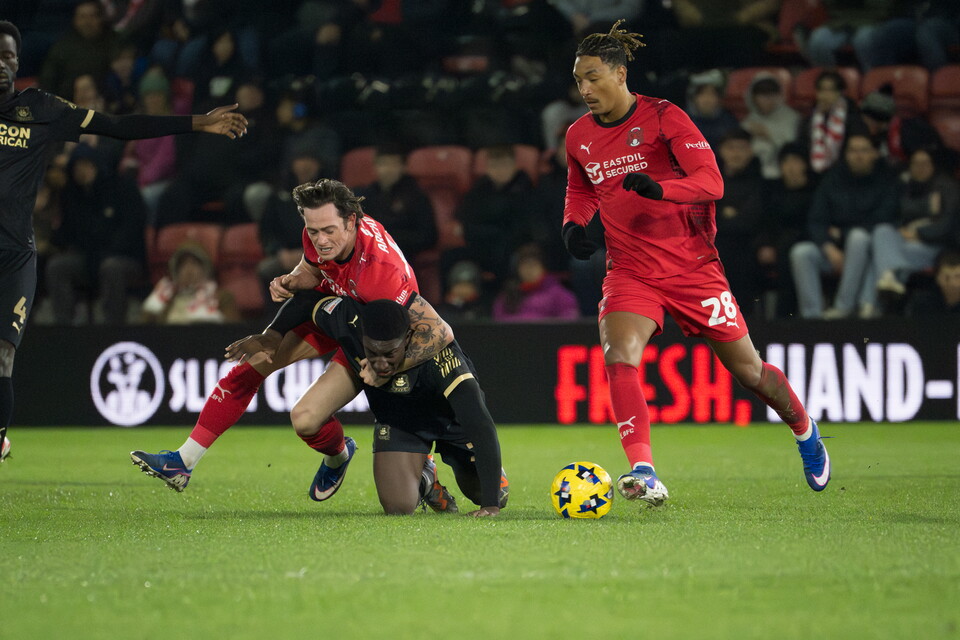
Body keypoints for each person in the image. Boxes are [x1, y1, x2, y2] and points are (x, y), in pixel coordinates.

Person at [560, 21, 831, 506]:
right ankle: (643, 470)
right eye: (579, 79)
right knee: (619, 356)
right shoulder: (578, 136)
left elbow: (712, 182)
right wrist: (573, 224)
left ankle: (804, 428)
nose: (585, 89)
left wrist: (661, 188)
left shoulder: (665, 118)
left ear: (621, 74)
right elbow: (581, 186)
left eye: (594, 77)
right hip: (629, 271)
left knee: (749, 373)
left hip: (693, 268)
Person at [0, 20, 247, 463]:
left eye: (10, 58)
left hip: (14, 256)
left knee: (3, 356)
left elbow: (119, 125)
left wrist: (196, 123)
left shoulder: (39, 108)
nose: (3, 65)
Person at [130, 179, 455, 495]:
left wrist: (380, 365)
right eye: (313, 231)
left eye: (328, 231)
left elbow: (412, 335)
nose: (320, 240)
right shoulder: (323, 231)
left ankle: (424, 459)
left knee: (306, 420)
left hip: (374, 334)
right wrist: (292, 280)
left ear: (351, 221)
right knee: (255, 361)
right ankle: (182, 462)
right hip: (333, 308)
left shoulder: (381, 277)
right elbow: (312, 271)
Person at [230, 293, 508, 517]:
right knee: (398, 508)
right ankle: (424, 478)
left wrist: (491, 506)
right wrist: (273, 333)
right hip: (400, 421)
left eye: (390, 353)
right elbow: (305, 300)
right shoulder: (347, 321)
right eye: (373, 351)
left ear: (409, 339)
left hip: (451, 423)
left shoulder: (441, 357)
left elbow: (481, 426)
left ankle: (486, 485)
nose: (381, 362)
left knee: (491, 493)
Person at [789, 134, 899, 319]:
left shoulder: (886, 181)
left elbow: (883, 221)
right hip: (834, 252)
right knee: (801, 252)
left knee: (858, 237)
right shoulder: (832, 180)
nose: (858, 155)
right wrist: (829, 247)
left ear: (875, 154)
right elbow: (816, 220)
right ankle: (812, 317)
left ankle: (844, 307)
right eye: (853, 150)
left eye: (864, 150)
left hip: (869, 254)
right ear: (846, 154)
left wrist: (842, 233)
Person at [44, 143, 147, 325]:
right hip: (89, 258)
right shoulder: (71, 196)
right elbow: (67, 233)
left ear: (97, 164)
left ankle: (112, 329)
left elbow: (132, 228)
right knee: (57, 267)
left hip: (125, 258)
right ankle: (63, 329)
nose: (82, 171)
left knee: (110, 267)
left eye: (86, 165)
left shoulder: (122, 188)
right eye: (77, 167)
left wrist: (107, 250)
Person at [872, 147, 959, 313]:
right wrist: (904, 228)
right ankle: (888, 279)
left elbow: (949, 224)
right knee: (881, 231)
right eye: (916, 163)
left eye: (925, 163)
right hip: (903, 239)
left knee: (879, 257)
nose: (920, 167)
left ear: (933, 165)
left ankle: (872, 306)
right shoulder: (904, 185)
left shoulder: (947, 187)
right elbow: (890, 213)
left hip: (934, 246)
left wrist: (920, 234)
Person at [140, 241, 240, 324]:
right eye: (183, 265)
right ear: (175, 271)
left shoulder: (222, 297)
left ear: (206, 268)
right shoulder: (164, 299)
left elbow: (232, 334)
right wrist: (152, 307)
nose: (189, 270)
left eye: (194, 263)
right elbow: (145, 328)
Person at [797, 70, 868, 175]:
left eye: (830, 90)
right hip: (814, 174)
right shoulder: (808, 121)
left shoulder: (853, 119)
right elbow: (801, 148)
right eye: (821, 90)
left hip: (846, 174)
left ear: (840, 93)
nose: (824, 95)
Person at [492, 243, 580, 321]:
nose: (529, 270)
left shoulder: (557, 293)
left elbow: (570, 318)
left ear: (543, 268)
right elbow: (499, 320)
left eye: (534, 265)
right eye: (525, 265)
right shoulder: (509, 293)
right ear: (517, 269)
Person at [905, 249, 960, 315]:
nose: (952, 283)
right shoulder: (922, 302)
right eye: (946, 277)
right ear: (937, 278)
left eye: (958, 277)